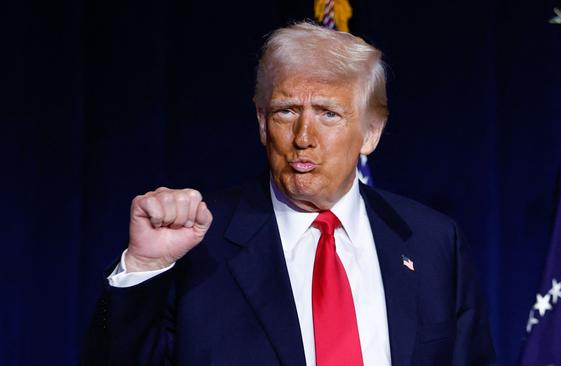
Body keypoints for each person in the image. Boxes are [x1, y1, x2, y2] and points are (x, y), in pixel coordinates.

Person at [82, 22, 496, 365]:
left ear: (371, 133)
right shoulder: (198, 244)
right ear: (262, 122)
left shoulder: (432, 242)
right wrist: (144, 266)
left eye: (328, 114)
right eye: (286, 112)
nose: (303, 137)